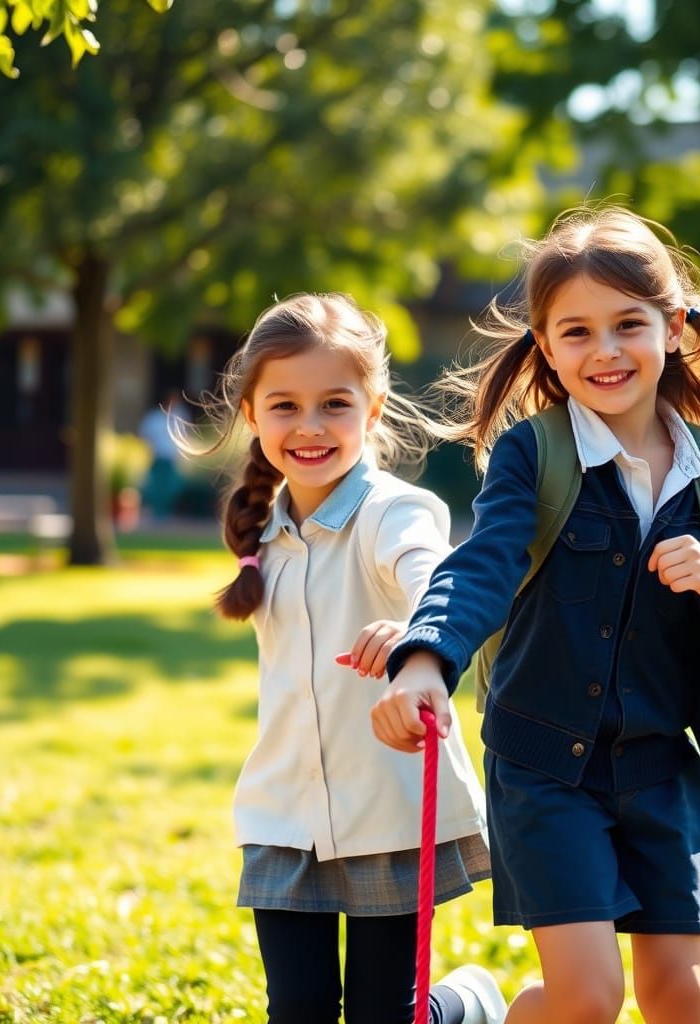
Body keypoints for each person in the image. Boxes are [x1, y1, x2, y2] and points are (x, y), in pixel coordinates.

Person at [370, 207, 700, 1024]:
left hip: (665, 767)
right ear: (545, 347)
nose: (604, 351)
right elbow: (481, 566)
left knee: (679, 995)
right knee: (589, 999)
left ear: (673, 328)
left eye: (628, 325)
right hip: (545, 766)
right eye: (576, 332)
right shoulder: (533, 453)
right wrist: (425, 659)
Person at [196, 293, 506, 1024]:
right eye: (285, 406)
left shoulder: (393, 511)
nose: (309, 426)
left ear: (372, 409)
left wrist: (415, 633)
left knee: (381, 1014)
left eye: (335, 403)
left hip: (383, 808)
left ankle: (463, 1004)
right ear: (251, 414)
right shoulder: (260, 528)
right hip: (281, 811)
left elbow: (434, 573)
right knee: (297, 1007)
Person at [139, 389, 190, 518]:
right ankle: (157, 512)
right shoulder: (154, 417)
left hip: (172, 458)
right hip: (158, 457)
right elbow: (145, 436)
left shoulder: (180, 415)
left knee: (172, 485)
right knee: (156, 486)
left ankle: (165, 511)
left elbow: (185, 436)